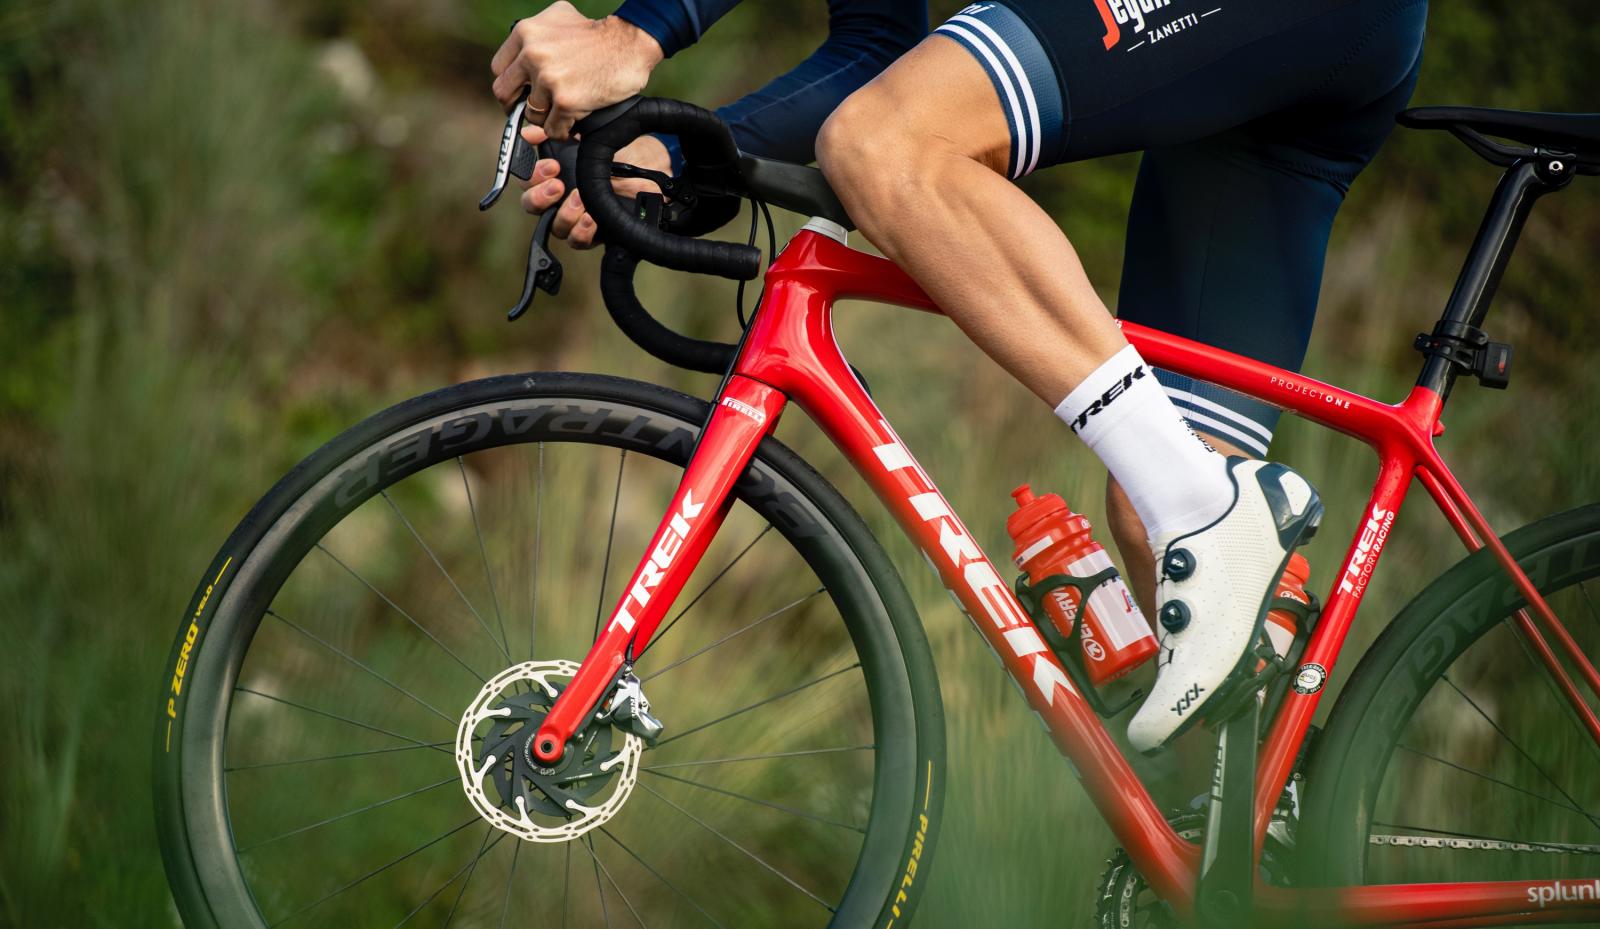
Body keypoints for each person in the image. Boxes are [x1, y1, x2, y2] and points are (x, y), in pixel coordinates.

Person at [490, 0, 1426, 753]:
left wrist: (636, 32)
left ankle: (1205, 507)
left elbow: (874, 122)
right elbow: (873, 48)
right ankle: (1261, 863)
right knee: (1159, 540)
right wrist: (678, 156)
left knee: (883, 142)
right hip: (1259, 83)